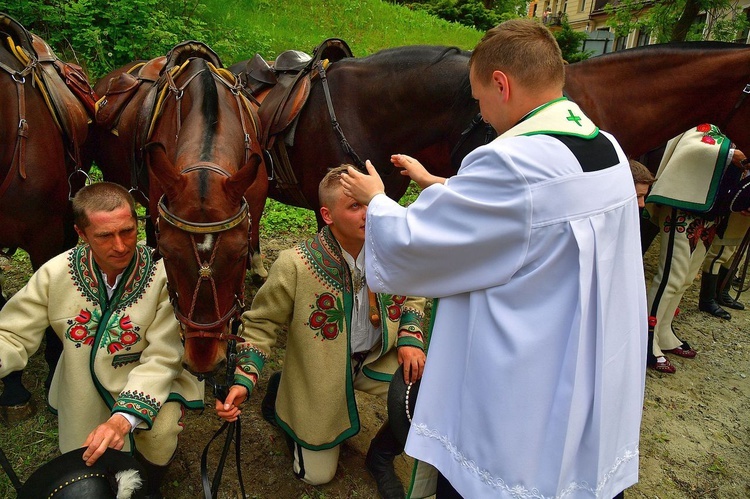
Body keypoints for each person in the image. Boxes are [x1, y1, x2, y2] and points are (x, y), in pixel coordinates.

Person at [340, 19, 645, 499]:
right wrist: (435, 181)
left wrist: (377, 200)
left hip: (520, 399)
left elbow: (417, 246)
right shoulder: (606, 148)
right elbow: (520, 216)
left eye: (479, 99)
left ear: (501, 84)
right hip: (588, 375)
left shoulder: (510, 161)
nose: (481, 113)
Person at [215, 165, 428, 499]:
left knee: (426, 388)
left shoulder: (393, 248)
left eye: (371, 202)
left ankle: (382, 456)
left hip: (377, 358)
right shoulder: (294, 264)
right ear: (327, 215)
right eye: (355, 206)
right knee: (316, 476)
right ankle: (284, 392)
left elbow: (416, 291)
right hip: (319, 374)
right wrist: (244, 377)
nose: (368, 214)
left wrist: (409, 336)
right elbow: (260, 324)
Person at [0, 182, 204, 497]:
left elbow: (164, 355)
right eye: (105, 236)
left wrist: (123, 418)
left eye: (128, 231)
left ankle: (150, 484)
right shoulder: (55, 274)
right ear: (81, 234)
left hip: (151, 378)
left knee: (160, 434)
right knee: (86, 456)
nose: (121, 246)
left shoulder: (166, 277)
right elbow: (12, 332)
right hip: (83, 383)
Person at [644, 127, 747, 374]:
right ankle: (646, 337)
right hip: (685, 207)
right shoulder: (707, 119)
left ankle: (664, 330)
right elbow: (689, 146)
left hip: (712, 213)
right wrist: (730, 153)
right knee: (671, 276)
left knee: (686, 278)